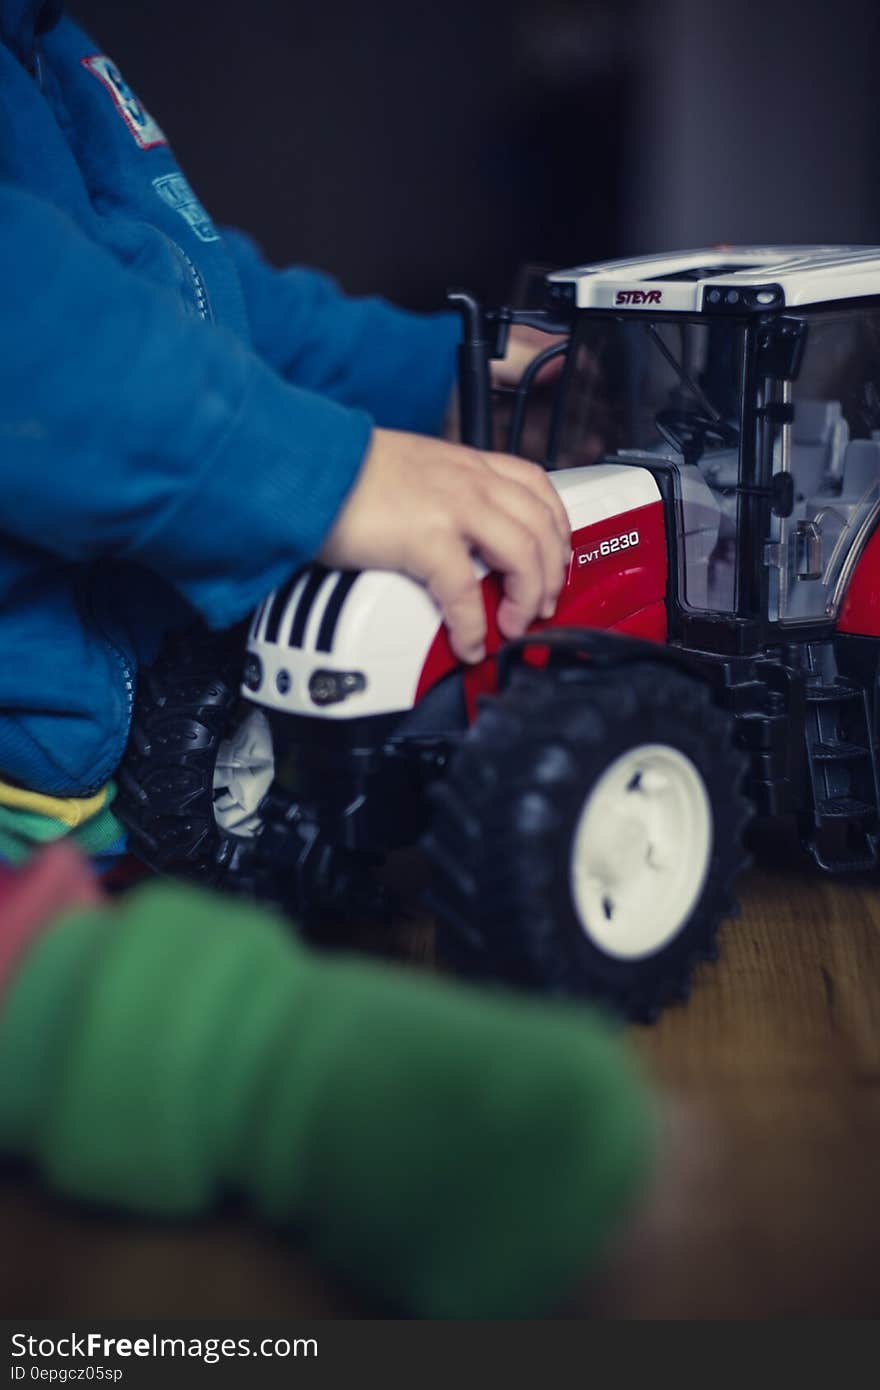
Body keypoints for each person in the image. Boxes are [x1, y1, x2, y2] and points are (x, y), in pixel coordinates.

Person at [0, 1, 655, 1319]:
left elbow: (210, 302)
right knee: (70, 995)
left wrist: (444, 385)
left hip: (109, 805)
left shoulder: (54, 60)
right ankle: (275, 1071)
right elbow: (42, 333)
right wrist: (327, 472)